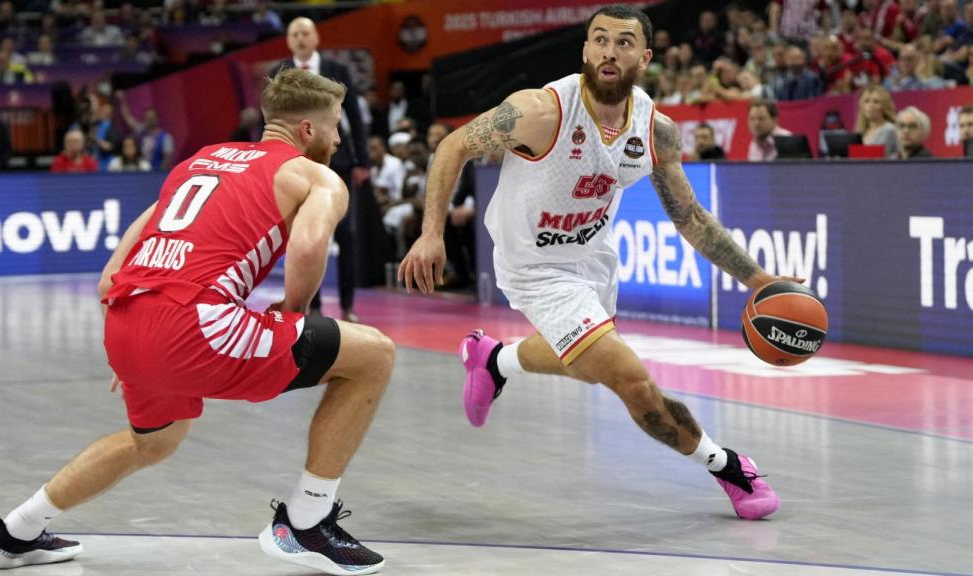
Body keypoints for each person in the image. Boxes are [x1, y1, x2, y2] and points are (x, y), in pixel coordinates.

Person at [0, 69, 393, 576]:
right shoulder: (316, 176)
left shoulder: (203, 160)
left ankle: (13, 534)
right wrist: (293, 313)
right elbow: (307, 247)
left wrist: (140, 344)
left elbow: (116, 268)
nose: (338, 138)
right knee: (373, 354)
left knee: (151, 440)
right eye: (333, 127)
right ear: (307, 130)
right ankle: (308, 520)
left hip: (129, 317)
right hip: (193, 322)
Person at [400, 4, 792, 522]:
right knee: (630, 380)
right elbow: (453, 146)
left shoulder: (655, 130)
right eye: (600, 39)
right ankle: (729, 467)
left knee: (586, 369)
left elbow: (690, 216)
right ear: (585, 50)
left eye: (624, 42)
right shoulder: (541, 112)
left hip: (592, 259)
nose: (610, 51)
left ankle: (493, 361)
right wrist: (432, 232)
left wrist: (759, 279)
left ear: (645, 57)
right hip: (532, 265)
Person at [270, 17, 370, 324]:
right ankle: (307, 306)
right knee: (304, 236)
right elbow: (272, 120)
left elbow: (354, 116)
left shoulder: (337, 71)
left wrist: (363, 160)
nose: (300, 39)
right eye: (294, 34)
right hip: (295, 166)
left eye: (305, 33)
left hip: (336, 161)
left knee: (346, 234)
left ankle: (348, 306)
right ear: (288, 41)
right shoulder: (279, 72)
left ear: (315, 39)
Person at [855, 84, 898, 157]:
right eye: (866, 101)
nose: (870, 105)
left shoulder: (889, 129)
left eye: (876, 101)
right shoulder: (861, 131)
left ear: (884, 106)